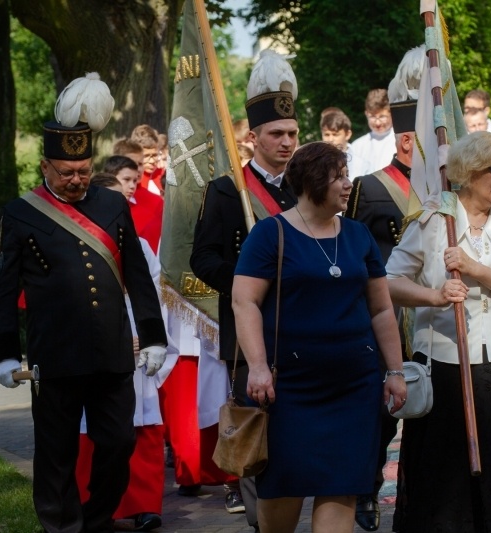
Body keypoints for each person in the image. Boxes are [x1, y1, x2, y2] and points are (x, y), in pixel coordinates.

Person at [0, 74, 168, 533]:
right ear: (45, 166)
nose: (76, 179)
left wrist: (154, 338)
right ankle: (61, 526)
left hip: (111, 352)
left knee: (118, 443)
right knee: (56, 452)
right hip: (56, 355)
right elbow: (3, 290)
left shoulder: (111, 204)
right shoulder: (20, 213)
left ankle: (97, 517)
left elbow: (139, 278)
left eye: (84, 170)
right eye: (66, 172)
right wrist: (5, 353)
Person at [231, 141, 407, 532]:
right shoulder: (269, 233)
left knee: (342, 487)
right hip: (289, 389)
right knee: (282, 490)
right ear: (313, 181)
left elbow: (380, 309)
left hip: (354, 386)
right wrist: (257, 366)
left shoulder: (359, 235)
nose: (348, 184)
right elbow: (245, 303)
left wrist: (395, 370)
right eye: (339, 176)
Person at [385, 132, 491, 532]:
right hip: (444, 365)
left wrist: (475, 269)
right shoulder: (433, 220)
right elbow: (388, 282)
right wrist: (435, 295)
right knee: (445, 476)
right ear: (469, 172)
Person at [190, 49, 301, 530]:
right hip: (249, 332)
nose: (287, 142)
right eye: (276, 134)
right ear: (252, 137)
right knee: (258, 436)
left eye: (293, 133)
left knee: (297, 438)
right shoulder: (225, 191)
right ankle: (262, 523)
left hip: (303, 329)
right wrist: (250, 280)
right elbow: (203, 260)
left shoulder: (306, 186)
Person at [345, 43, 422, 531]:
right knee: (383, 413)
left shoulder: (445, 186)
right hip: (388, 313)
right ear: (406, 139)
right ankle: (366, 491)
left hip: (433, 311)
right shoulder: (369, 186)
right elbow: (356, 252)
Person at [74, 171, 169, 532]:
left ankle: (145, 504)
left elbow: (156, 293)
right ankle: (98, 506)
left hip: (137, 348)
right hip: (95, 350)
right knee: (95, 431)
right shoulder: (77, 242)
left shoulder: (140, 244)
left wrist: (146, 338)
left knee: (142, 427)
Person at [350, 89, 396, 173]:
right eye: (372, 117)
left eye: (382, 116)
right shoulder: (358, 146)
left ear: (391, 113)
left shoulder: (399, 141)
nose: (377, 123)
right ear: (366, 114)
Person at [320, 106, 371, 180]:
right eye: (327, 134)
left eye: (335, 134)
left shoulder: (362, 165)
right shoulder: (316, 163)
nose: (330, 139)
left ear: (347, 134)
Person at [131, 124, 164, 196]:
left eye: (155, 155)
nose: (152, 161)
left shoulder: (164, 175)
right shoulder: (130, 180)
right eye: (146, 156)